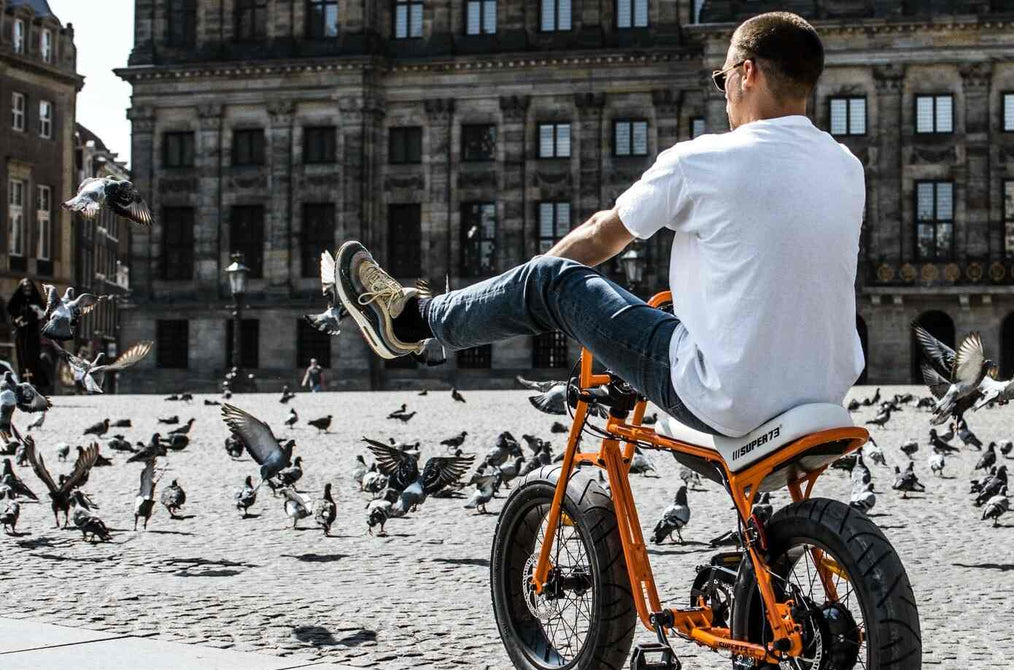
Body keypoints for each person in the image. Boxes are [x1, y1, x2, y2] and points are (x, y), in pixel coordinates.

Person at [334, 12, 862, 438]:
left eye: (723, 78)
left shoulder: (704, 160)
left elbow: (600, 235)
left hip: (729, 399)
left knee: (548, 278)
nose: (723, 94)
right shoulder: (845, 166)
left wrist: (530, 288)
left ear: (747, 72)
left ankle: (411, 320)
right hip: (825, 394)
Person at [6, 278, 50, 393]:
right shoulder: (17, 301)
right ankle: (23, 383)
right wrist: (18, 320)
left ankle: (35, 384)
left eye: (29, 287)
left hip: (32, 335)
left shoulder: (35, 300)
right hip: (21, 334)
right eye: (25, 287)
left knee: (33, 359)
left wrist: (32, 317)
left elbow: (40, 312)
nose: (27, 289)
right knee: (22, 359)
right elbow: (12, 312)